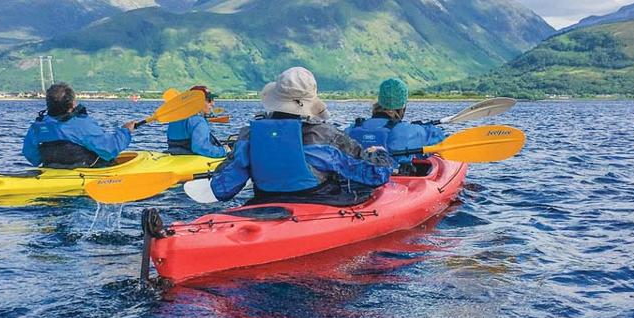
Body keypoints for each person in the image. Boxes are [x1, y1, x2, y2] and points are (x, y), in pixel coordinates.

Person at [209, 67, 394, 206]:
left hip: (266, 205)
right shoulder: (326, 135)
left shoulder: (249, 136)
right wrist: (379, 155)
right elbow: (376, 176)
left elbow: (221, 189)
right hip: (319, 208)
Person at [23, 82, 137, 168]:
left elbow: (33, 157)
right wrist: (125, 131)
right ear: (72, 104)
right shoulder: (82, 125)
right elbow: (109, 150)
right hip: (87, 172)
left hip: (52, 170)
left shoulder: (37, 127)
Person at [346, 78, 444, 169]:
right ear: (403, 107)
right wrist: (422, 127)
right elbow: (437, 135)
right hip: (395, 181)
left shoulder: (351, 129)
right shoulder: (409, 131)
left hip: (355, 179)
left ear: (379, 101)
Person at [165, 85, 228, 158]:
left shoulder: (175, 118)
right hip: (190, 161)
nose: (213, 104)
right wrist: (224, 150)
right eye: (209, 100)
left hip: (174, 157)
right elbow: (200, 148)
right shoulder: (198, 121)